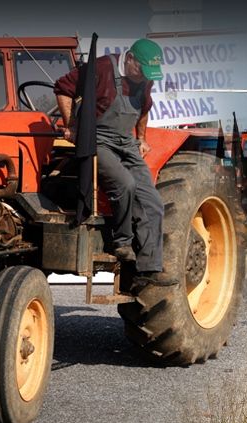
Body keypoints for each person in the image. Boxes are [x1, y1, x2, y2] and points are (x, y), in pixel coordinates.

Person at [54, 39, 176, 287]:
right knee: (124, 184)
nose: (143, 77)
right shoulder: (100, 68)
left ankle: (149, 269)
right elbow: (63, 88)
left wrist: (141, 139)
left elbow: (144, 108)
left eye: (148, 74)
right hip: (97, 138)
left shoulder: (145, 79)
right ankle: (122, 243)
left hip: (126, 141)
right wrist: (73, 125)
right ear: (129, 58)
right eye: (140, 70)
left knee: (153, 201)